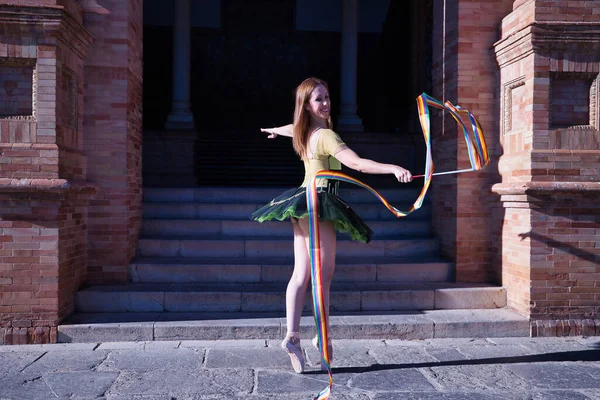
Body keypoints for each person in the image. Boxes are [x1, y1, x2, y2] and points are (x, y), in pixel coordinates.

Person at [251, 77, 413, 373]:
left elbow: (292, 129)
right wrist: (393, 168)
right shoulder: (326, 135)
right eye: (318, 99)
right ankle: (322, 339)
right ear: (307, 106)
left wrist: (275, 130)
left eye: (327, 97)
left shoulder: (305, 133)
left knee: (301, 273)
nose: (325, 103)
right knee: (322, 278)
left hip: (301, 204)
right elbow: (358, 164)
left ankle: (293, 337)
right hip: (320, 204)